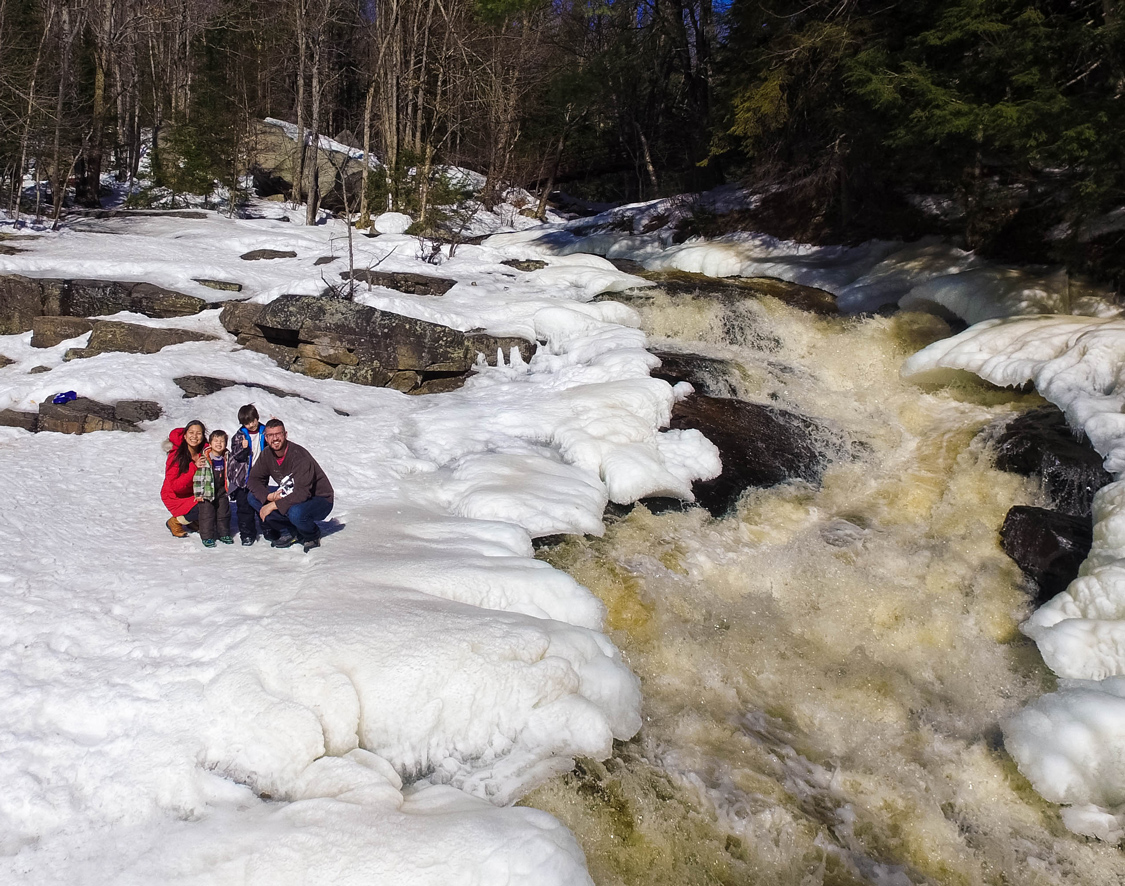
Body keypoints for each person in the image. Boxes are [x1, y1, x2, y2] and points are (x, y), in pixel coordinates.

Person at [248, 419, 334, 553]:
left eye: (278, 434)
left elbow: (302, 493)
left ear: (285, 434)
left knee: (296, 512)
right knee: (253, 497)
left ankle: (311, 534)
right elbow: (253, 479)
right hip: (291, 493)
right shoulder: (266, 454)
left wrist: (272, 505)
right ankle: (289, 531)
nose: (275, 438)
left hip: (319, 499)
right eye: (270, 435)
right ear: (266, 437)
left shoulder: (299, 456)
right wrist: (268, 496)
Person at [161, 420, 222, 546]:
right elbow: (176, 487)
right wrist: (194, 467)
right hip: (175, 496)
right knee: (205, 506)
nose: (194, 436)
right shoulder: (176, 455)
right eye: (191, 432)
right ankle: (176, 521)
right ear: (184, 435)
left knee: (219, 502)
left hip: (194, 491)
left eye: (198, 433)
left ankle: (192, 520)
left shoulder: (204, 452)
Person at [228, 404, 267, 546]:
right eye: (246, 423)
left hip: (260, 477)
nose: (251, 425)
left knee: (262, 504)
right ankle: (247, 534)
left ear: (257, 418)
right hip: (243, 479)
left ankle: (268, 530)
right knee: (244, 508)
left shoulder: (264, 431)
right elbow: (236, 456)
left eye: (252, 421)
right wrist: (244, 449)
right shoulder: (239, 436)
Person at [192, 430, 234, 548]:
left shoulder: (227, 457)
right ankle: (207, 537)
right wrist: (198, 493)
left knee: (223, 513)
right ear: (210, 443)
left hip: (222, 491)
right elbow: (198, 477)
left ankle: (224, 533)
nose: (219, 443)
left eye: (222, 441)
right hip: (207, 491)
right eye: (216, 441)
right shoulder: (205, 459)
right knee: (207, 515)